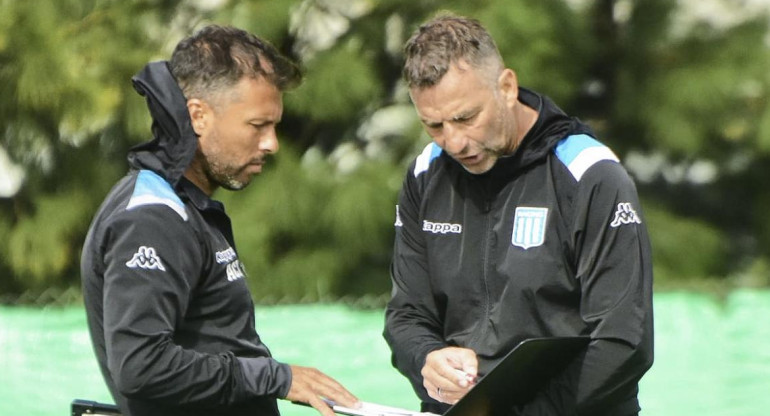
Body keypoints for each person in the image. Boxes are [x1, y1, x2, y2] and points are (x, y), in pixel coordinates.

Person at [80, 25, 360, 416]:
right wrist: (275, 377)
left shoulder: (188, 207)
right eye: (257, 125)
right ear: (198, 115)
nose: (271, 143)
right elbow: (140, 366)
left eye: (274, 126)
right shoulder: (152, 217)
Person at [383, 14, 654, 416]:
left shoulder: (589, 174)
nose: (454, 141)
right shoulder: (426, 174)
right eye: (433, 125)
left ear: (506, 87)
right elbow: (406, 315)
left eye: (465, 117)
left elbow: (623, 343)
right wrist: (426, 358)